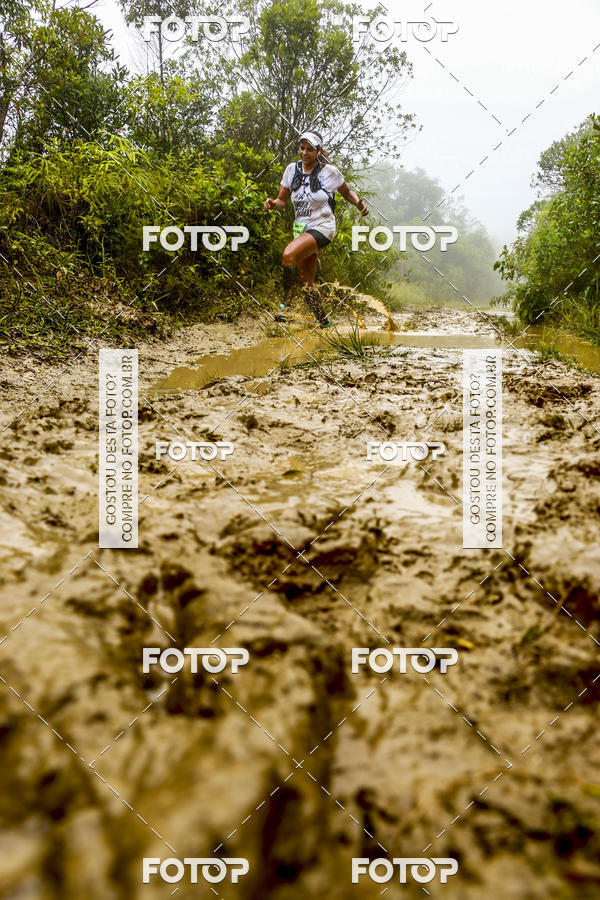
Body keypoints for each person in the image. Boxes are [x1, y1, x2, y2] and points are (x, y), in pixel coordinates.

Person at [264, 130, 369, 327]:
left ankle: (284, 306)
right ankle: (324, 322)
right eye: (302, 148)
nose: (304, 153)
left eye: (309, 149)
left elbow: (347, 192)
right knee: (306, 282)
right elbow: (282, 201)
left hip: (323, 226)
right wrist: (272, 204)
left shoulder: (329, 172)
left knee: (288, 255)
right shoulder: (291, 170)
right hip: (301, 228)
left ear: (318, 151)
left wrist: (358, 204)